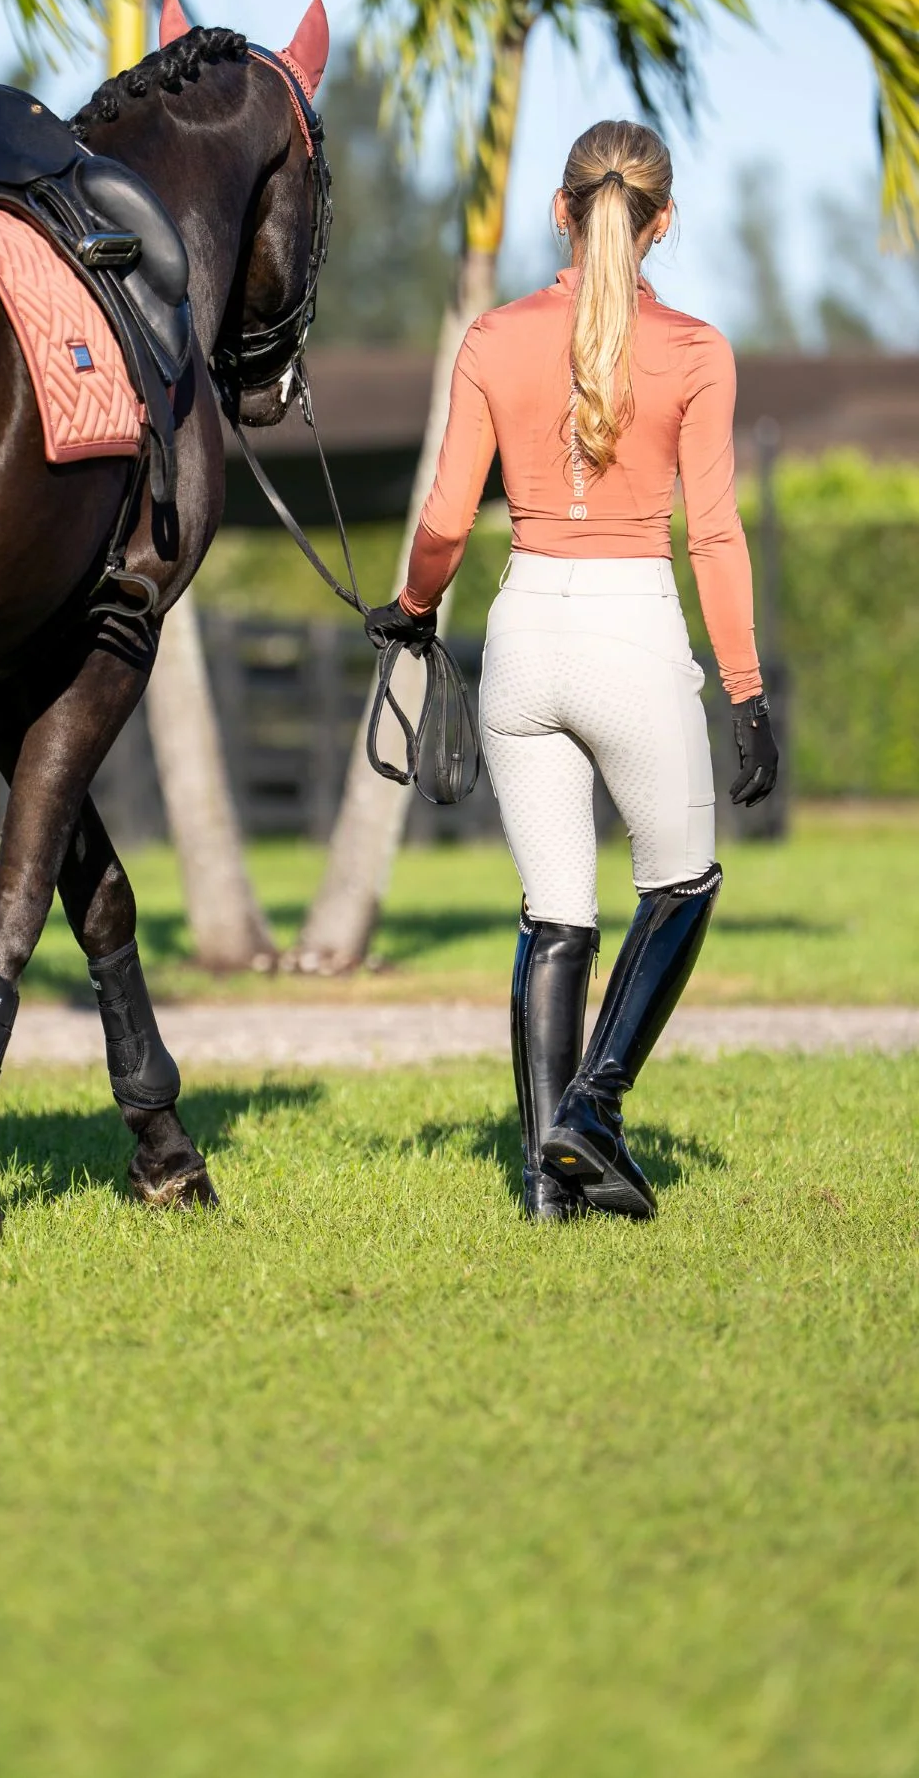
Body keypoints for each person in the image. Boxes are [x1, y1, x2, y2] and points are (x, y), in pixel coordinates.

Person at [366, 120, 778, 1222]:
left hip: (524, 639)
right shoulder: (696, 351)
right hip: (631, 631)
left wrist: (412, 609)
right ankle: (593, 1110)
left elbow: (445, 518)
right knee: (681, 883)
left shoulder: (494, 338)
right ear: (662, 222)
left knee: (556, 917)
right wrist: (746, 690)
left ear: (560, 211)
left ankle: (549, 1189)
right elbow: (715, 536)